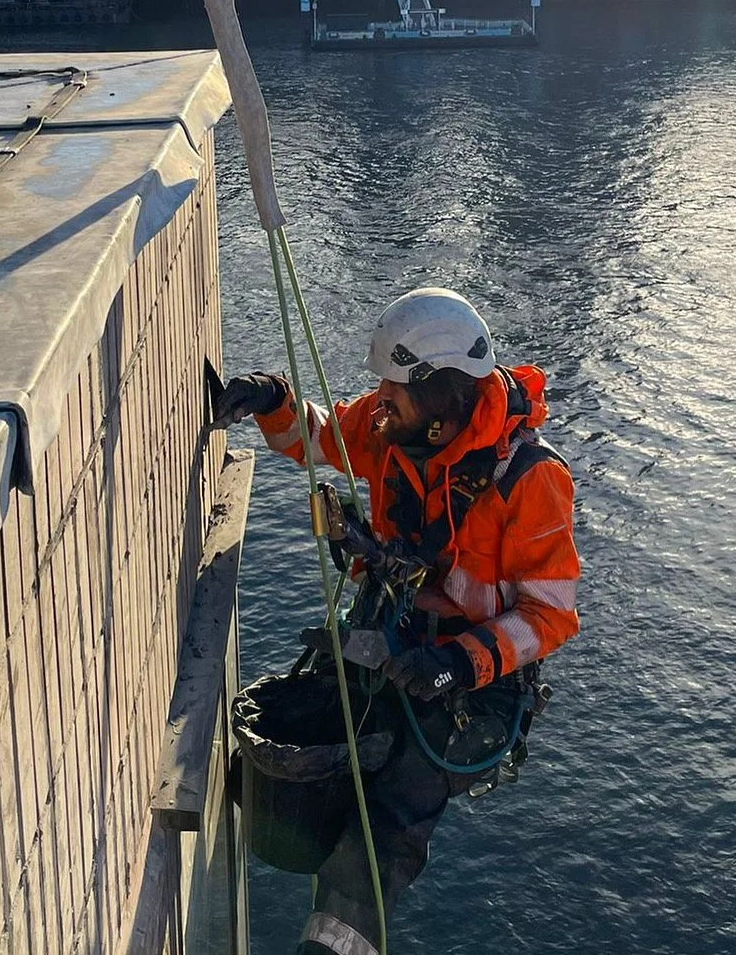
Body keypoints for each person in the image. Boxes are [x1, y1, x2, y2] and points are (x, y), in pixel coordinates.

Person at [216, 288, 581, 955]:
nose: (379, 398)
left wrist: (457, 660)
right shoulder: (395, 429)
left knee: (387, 814)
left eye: (394, 388)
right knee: (296, 734)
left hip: (475, 684)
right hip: (394, 632)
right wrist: (271, 398)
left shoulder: (529, 479)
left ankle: (334, 944)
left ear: (442, 401)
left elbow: (548, 615)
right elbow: (319, 434)